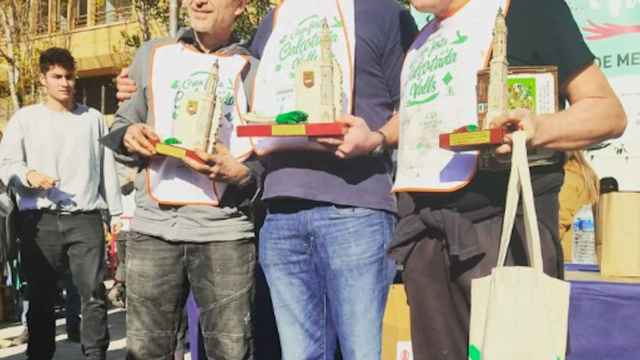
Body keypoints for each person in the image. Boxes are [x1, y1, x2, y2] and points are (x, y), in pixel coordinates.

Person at [117, 1, 417, 358]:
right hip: (278, 216)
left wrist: (377, 139)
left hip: (353, 211)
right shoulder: (273, 23)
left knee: (361, 352)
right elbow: (253, 122)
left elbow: (417, 107)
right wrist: (131, 115)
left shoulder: (386, 13)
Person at [359, 0, 625, 359]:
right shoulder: (424, 38)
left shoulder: (530, 9)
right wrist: (375, 138)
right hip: (426, 240)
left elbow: (607, 112)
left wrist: (540, 128)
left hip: (503, 233)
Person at [107, 0, 263, 358]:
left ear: (239, 6)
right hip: (153, 230)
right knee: (146, 351)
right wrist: (130, 135)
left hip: (223, 233)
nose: (198, 2)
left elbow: (269, 158)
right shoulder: (153, 54)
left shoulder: (256, 70)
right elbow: (119, 127)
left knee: (231, 351)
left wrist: (242, 174)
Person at [0, 47, 123, 360]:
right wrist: (27, 174)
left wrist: (116, 213)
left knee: (93, 294)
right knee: (40, 297)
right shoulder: (25, 119)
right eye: (57, 76)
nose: (65, 83)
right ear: (43, 79)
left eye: (69, 76)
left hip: (85, 218)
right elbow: (6, 163)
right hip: (39, 221)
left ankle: (95, 354)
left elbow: (106, 165)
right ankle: (40, 354)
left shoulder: (93, 119)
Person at [558, 151, 599, 263]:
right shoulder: (588, 175)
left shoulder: (568, 177)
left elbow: (560, 220)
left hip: (567, 257)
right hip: (585, 254)